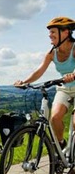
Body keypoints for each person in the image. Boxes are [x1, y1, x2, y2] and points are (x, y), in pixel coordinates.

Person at [14, 16, 75, 149]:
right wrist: (24, 81)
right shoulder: (52, 53)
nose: (50, 35)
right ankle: (62, 147)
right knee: (55, 118)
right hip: (64, 88)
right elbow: (39, 71)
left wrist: (73, 74)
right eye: (50, 32)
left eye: (53, 32)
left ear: (66, 32)